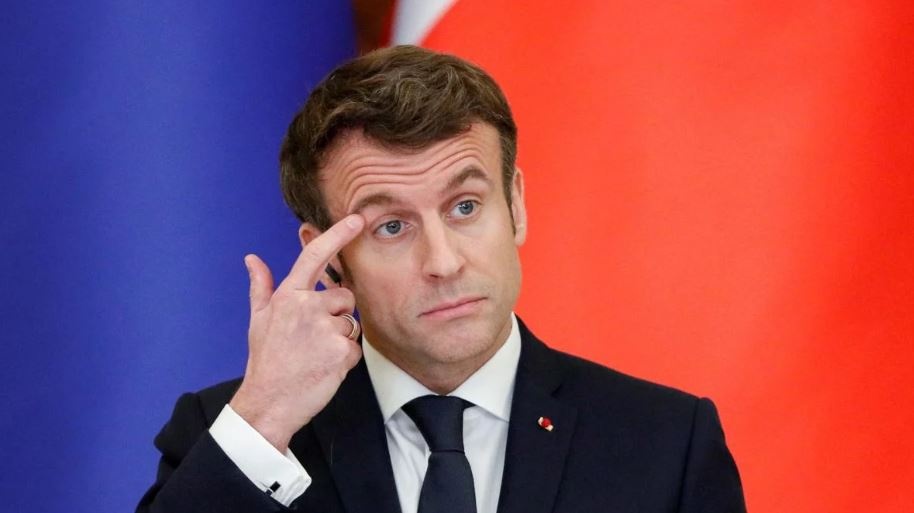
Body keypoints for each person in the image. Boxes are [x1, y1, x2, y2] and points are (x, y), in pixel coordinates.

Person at [137, 45, 746, 513]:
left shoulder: (666, 443)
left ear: (516, 205)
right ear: (328, 258)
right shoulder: (238, 431)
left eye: (465, 207)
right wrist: (266, 415)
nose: (444, 261)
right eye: (391, 226)